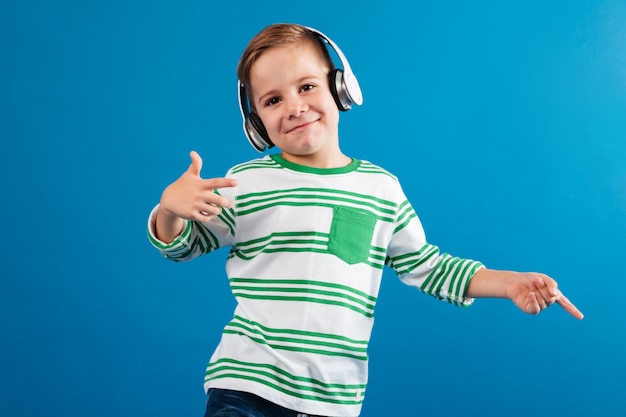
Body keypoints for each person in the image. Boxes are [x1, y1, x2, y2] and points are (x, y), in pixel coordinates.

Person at [147, 23, 583, 417]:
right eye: (273, 100)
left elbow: (428, 266)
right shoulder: (246, 181)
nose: (295, 107)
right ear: (256, 121)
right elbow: (182, 245)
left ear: (340, 88)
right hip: (245, 385)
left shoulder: (382, 189)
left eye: (307, 86)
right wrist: (169, 209)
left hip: (334, 400)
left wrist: (509, 283)